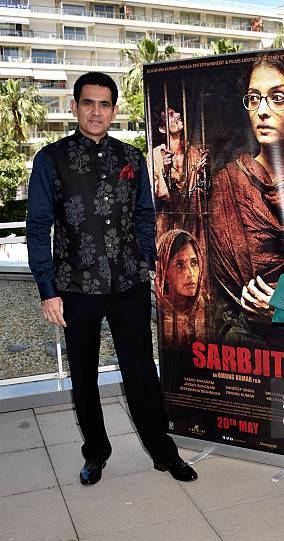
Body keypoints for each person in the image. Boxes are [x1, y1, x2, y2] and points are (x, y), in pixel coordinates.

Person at [26, 72, 197, 486]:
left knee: (140, 371)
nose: (96, 111)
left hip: (128, 286)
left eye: (104, 104)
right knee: (83, 375)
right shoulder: (51, 159)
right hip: (75, 288)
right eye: (88, 103)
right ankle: (96, 454)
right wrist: (48, 290)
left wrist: (145, 263)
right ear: (75, 107)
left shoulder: (132, 159)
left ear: (114, 110)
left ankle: (163, 452)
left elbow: (144, 216)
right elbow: (38, 227)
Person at [209, 55, 284, 342]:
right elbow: (219, 292)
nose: (262, 111)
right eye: (254, 99)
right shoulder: (227, 184)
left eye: (277, 98)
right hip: (244, 347)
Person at [149, 105, 209, 238]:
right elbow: (153, 195)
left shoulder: (194, 153)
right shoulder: (155, 156)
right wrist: (166, 173)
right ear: (162, 129)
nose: (178, 114)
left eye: (176, 111)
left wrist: (202, 173)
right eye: (171, 114)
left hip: (192, 226)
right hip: (167, 225)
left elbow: (204, 194)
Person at [155, 228, 207, 347]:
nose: (190, 273)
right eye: (180, 265)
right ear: (165, 272)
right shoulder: (159, 313)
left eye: (194, 263)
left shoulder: (212, 313)